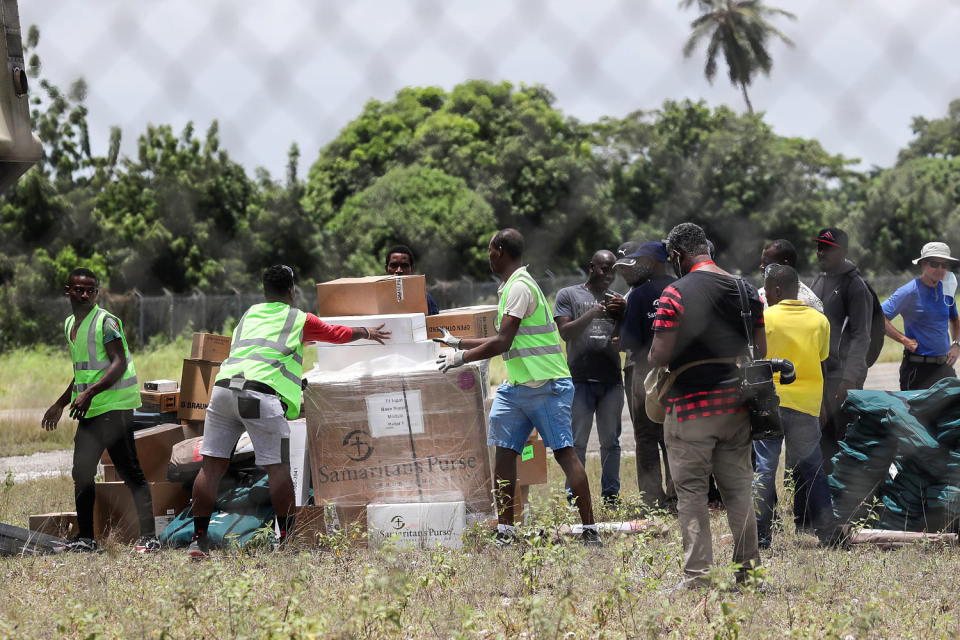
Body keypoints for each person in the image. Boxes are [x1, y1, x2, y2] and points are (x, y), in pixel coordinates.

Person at [187, 265, 390, 558]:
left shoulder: (249, 316)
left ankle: (198, 539)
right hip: (259, 394)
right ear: (292, 291)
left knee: (211, 468)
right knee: (278, 469)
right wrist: (367, 331)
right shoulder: (298, 317)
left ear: (265, 291)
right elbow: (335, 333)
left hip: (222, 392)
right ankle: (287, 540)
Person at [434, 229, 601, 546]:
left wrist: (460, 357)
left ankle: (590, 530)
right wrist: (458, 341)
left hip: (547, 384)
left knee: (564, 453)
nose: (487, 256)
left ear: (499, 250)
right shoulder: (510, 287)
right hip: (518, 387)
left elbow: (503, 341)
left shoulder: (520, 288)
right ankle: (506, 531)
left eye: (489, 250)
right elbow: (504, 340)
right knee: (504, 453)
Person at [648, 222, 763, 588]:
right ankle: (749, 572)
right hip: (735, 406)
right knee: (739, 491)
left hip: (690, 410)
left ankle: (698, 576)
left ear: (680, 256)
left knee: (692, 492)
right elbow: (760, 351)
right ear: (707, 249)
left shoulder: (675, 293)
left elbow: (659, 354)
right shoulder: (746, 290)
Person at [42, 268, 157, 553]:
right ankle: (86, 539)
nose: (84, 295)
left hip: (115, 408)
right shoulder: (70, 324)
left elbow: (118, 363)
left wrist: (90, 394)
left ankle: (150, 538)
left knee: (130, 471)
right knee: (81, 472)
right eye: (78, 289)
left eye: (90, 290)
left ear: (97, 293)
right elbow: (83, 374)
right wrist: (61, 403)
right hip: (90, 410)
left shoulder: (105, 322)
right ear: (68, 290)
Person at [753, 264, 838, 549]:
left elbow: (757, 355)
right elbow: (822, 357)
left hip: (770, 402)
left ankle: (762, 537)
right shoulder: (819, 320)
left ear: (776, 290)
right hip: (806, 405)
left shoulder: (765, 317)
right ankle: (827, 533)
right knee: (813, 468)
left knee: (764, 468)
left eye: (766, 290)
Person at [553, 250, 626, 506]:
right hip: (580, 379)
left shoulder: (618, 300)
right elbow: (565, 332)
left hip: (611, 380)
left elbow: (621, 343)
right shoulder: (569, 295)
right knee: (577, 442)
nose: (608, 274)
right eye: (604, 268)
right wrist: (592, 313)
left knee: (611, 442)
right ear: (592, 267)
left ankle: (611, 497)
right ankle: (575, 497)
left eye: (613, 270)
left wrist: (621, 315)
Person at [616, 241, 677, 510]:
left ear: (652, 263)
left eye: (641, 262)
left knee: (645, 435)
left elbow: (628, 340)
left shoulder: (639, 295)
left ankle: (652, 499)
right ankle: (678, 495)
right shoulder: (680, 288)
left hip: (644, 370)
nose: (637, 266)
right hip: (677, 369)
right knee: (674, 434)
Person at [810, 228, 874, 473]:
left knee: (844, 436)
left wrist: (849, 378)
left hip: (841, 376)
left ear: (843, 251)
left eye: (827, 248)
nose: (821, 253)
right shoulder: (820, 279)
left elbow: (861, 335)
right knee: (823, 437)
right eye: (819, 247)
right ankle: (826, 495)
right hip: (820, 373)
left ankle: (848, 497)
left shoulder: (855, 285)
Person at [882, 242, 960, 390]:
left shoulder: (947, 289)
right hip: (917, 370)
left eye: (944, 265)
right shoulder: (909, 291)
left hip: (945, 368)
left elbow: (955, 319)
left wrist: (957, 344)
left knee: (952, 411)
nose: (940, 269)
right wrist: (904, 340)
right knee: (917, 414)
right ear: (923, 264)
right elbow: (878, 317)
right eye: (935, 264)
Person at [758, 239, 823, 312]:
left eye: (766, 263)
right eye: (762, 262)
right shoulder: (759, 297)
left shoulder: (810, 303)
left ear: (785, 264)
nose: (761, 266)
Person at [385, 244, 440, 315]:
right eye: (394, 266)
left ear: (412, 269)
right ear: (386, 268)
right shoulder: (375, 298)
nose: (399, 270)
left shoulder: (424, 299)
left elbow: (434, 324)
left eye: (404, 266)